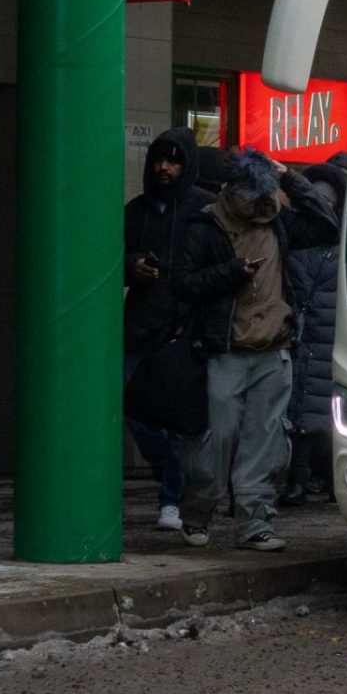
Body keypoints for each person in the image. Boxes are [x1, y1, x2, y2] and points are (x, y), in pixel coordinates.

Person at [171, 150, 337, 551]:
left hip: (273, 349)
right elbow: (184, 284)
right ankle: (196, 513)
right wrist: (231, 273)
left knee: (265, 443)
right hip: (224, 350)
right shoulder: (205, 226)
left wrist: (291, 181)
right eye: (252, 197)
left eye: (265, 196)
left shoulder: (277, 221)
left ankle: (254, 523)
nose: (260, 206)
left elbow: (327, 227)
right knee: (214, 441)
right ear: (230, 192)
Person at [124, 128, 212, 532]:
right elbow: (109, 259)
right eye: (159, 159)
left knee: (177, 425)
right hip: (139, 328)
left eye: (173, 160)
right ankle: (170, 477)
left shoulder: (204, 210)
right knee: (134, 414)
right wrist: (132, 266)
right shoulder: (135, 211)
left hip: (181, 331)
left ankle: (172, 499)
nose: (164, 167)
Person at [281, 154, 347, 510]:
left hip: (328, 336)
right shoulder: (297, 237)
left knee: (323, 415)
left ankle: (324, 479)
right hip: (302, 334)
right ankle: (298, 480)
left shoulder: (345, 247)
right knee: (299, 410)